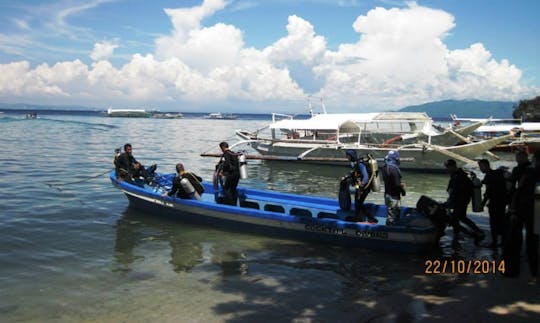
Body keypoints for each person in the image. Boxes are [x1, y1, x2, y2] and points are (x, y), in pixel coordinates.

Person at [503, 151, 539, 278]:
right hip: (535, 209)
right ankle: (534, 270)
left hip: (521, 209)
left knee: (514, 240)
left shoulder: (524, 172)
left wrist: (512, 208)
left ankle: (513, 270)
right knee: (533, 241)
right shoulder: (531, 171)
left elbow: (515, 190)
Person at [444, 159, 484, 246]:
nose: (447, 169)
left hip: (460, 201)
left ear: (453, 166)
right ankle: (475, 232)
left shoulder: (458, 176)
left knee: (455, 219)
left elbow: (455, 191)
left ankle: (470, 234)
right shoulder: (460, 174)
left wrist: (450, 201)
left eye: (448, 167)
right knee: (461, 217)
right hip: (462, 200)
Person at [478, 159, 508, 247]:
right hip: (502, 202)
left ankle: (494, 242)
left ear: (486, 165)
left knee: (494, 223)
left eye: (481, 167)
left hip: (495, 202)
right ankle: (503, 241)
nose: (480, 169)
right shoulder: (496, 173)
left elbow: (488, 192)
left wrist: (482, 204)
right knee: (501, 221)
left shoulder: (489, 176)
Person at [343, 149, 377, 223]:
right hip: (359, 187)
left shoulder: (360, 164)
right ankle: (359, 218)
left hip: (364, 188)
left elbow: (366, 177)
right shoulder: (355, 163)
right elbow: (355, 173)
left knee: (358, 203)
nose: (347, 157)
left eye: (348, 156)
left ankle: (369, 218)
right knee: (357, 203)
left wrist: (361, 186)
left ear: (351, 156)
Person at [381, 150, 406, 225]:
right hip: (394, 197)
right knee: (393, 218)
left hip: (387, 195)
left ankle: (389, 229)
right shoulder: (394, 169)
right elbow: (397, 184)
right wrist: (403, 190)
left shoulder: (384, 167)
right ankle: (391, 232)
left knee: (389, 215)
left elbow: (390, 181)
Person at [215, 141, 240, 205]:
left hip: (232, 174)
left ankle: (228, 204)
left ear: (223, 147)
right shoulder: (233, 153)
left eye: (221, 149)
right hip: (238, 173)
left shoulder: (226, 153)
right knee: (233, 189)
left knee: (226, 188)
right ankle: (234, 203)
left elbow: (227, 163)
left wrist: (222, 172)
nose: (221, 150)